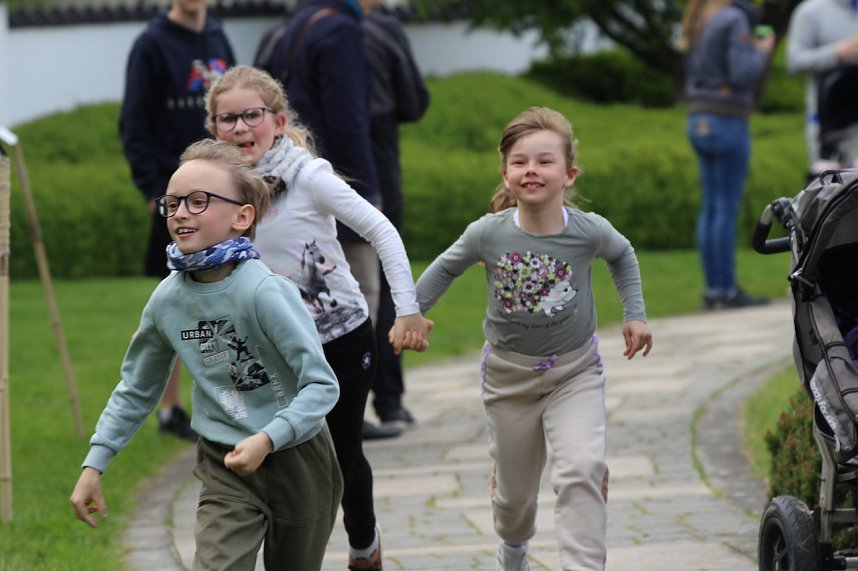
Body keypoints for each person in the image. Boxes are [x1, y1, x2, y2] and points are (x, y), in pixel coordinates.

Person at [70, 140, 343, 570]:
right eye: (173, 203)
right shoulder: (166, 302)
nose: (180, 213)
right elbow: (137, 388)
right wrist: (95, 463)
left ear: (242, 216)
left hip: (298, 456)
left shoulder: (265, 292)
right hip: (225, 461)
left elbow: (321, 384)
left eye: (199, 202)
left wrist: (268, 437)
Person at [204, 65, 432, 570]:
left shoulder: (310, 178)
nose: (240, 128)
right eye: (227, 119)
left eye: (252, 116)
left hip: (339, 340)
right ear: (213, 129)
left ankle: (363, 548)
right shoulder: (216, 191)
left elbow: (382, 231)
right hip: (268, 349)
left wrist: (408, 309)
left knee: (340, 452)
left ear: (279, 121)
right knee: (273, 456)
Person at [411, 107, 653, 571]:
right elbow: (444, 268)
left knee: (582, 470)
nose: (532, 171)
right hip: (508, 379)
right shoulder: (488, 234)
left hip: (574, 372)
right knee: (514, 502)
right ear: (506, 173)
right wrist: (412, 314)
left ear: (569, 174)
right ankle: (513, 551)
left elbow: (623, 254)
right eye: (520, 162)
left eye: (545, 161)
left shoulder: (588, 230)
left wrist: (635, 315)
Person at [118, 0, 235, 440]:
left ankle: (227, 398)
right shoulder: (151, 45)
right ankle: (170, 409)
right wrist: (155, 193)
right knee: (173, 302)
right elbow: (134, 122)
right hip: (175, 199)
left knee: (225, 294)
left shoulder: (218, 37)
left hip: (220, 196)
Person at [362, 4, 431, 432]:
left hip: (312, 168)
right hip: (379, 164)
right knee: (386, 279)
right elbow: (414, 101)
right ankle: (389, 400)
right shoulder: (382, 31)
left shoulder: (289, 33)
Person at [680, 0, 774, 310]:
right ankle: (727, 291)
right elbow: (741, 73)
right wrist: (762, 49)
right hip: (726, 119)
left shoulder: (701, 16)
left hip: (699, 119)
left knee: (710, 208)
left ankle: (714, 290)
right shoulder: (733, 18)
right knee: (725, 209)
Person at [786, 0, 858, 170]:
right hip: (827, 123)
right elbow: (794, 61)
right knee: (833, 188)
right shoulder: (810, 11)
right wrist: (835, 53)